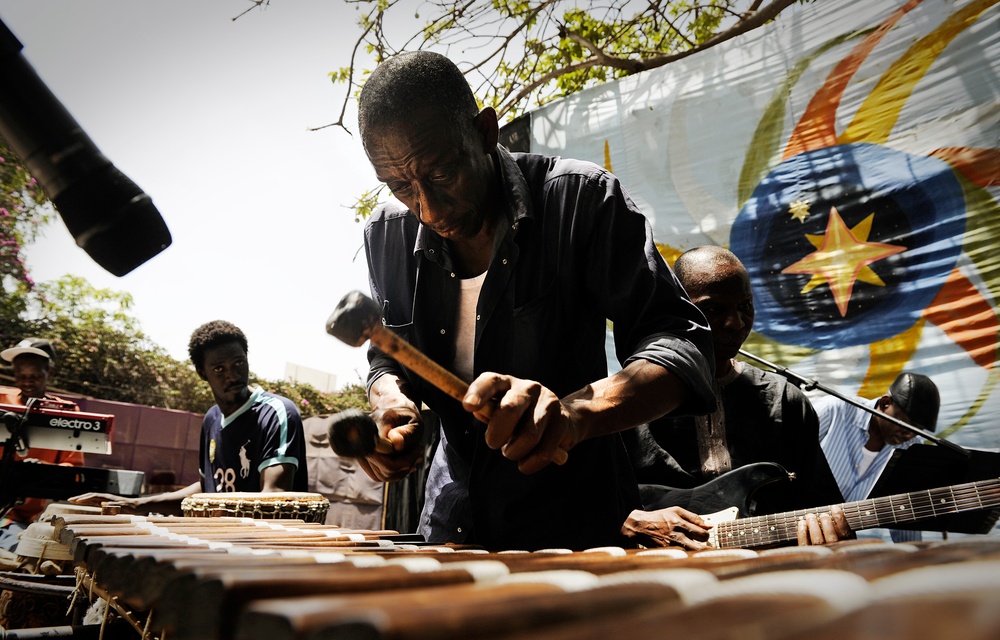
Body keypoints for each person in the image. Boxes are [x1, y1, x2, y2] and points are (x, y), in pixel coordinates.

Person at [353, 51, 716, 551]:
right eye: (399, 187)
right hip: (455, 524)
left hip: (578, 529)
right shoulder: (387, 237)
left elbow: (680, 341)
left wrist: (576, 414)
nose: (428, 208)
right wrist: (391, 402)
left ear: (484, 132)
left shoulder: (579, 199)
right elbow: (386, 355)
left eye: (440, 174)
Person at [621, 247, 849, 550]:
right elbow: (582, 504)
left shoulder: (785, 399)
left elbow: (820, 505)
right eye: (714, 309)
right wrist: (628, 522)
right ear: (676, 310)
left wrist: (833, 534)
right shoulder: (626, 400)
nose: (736, 323)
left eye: (745, 306)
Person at [72, 321, 308, 510]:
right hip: (223, 544)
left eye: (238, 363)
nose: (233, 375)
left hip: (267, 552)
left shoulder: (277, 413)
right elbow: (208, 489)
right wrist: (133, 504)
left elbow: (274, 499)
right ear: (202, 373)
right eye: (219, 369)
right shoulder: (211, 420)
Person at [815, 371, 941, 542]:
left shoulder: (912, 448)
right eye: (904, 424)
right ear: (885, 403)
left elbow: (903, 512)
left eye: (917, 429)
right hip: (795, 528)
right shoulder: (834, 410)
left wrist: (914, 556)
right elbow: (783, 460)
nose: (908, 434)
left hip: (848, 547)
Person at [0, 338, 85, 551]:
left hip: (24, 516)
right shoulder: (2, 401)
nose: (27, 382)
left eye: (35, 376)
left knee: (20, 546)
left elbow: (73, 469)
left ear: (50, 374)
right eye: (21, 376)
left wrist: (44, 470)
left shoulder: (65, 411)